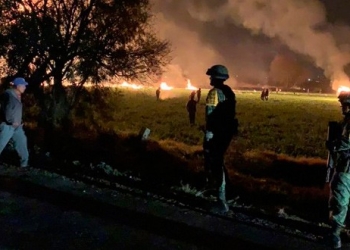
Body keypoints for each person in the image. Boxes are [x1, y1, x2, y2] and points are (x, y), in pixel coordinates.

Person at [203, 64, 238, 214]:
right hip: (227, 132)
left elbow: (210, 115)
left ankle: (222, 201)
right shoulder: (229, 92)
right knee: (219, 161)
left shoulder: (214, 93)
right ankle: (229, 194)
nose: (210, 78)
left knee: (215, 163)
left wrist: (209, 133)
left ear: (215, 78)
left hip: (216, 133)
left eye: (211, 76)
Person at [326, 90, 350, 249]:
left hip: (345, 169)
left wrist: (333, 145)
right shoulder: (346, 122)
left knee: (339, 201)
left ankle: (335, 235)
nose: (343, 107)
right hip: (346, 168)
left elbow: (345, 143)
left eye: (345, 104)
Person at [0, 77, 29, 168]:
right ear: (18, 86)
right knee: (1, 144)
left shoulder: (18, 95)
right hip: (8, 126)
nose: (25, 87)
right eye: (23, 85)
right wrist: (11, 121)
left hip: (17, 126)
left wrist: (20, 121)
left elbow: (16, 110)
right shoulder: (8, 95)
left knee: (22, 144)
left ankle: (24, 165)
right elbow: (6, 110)